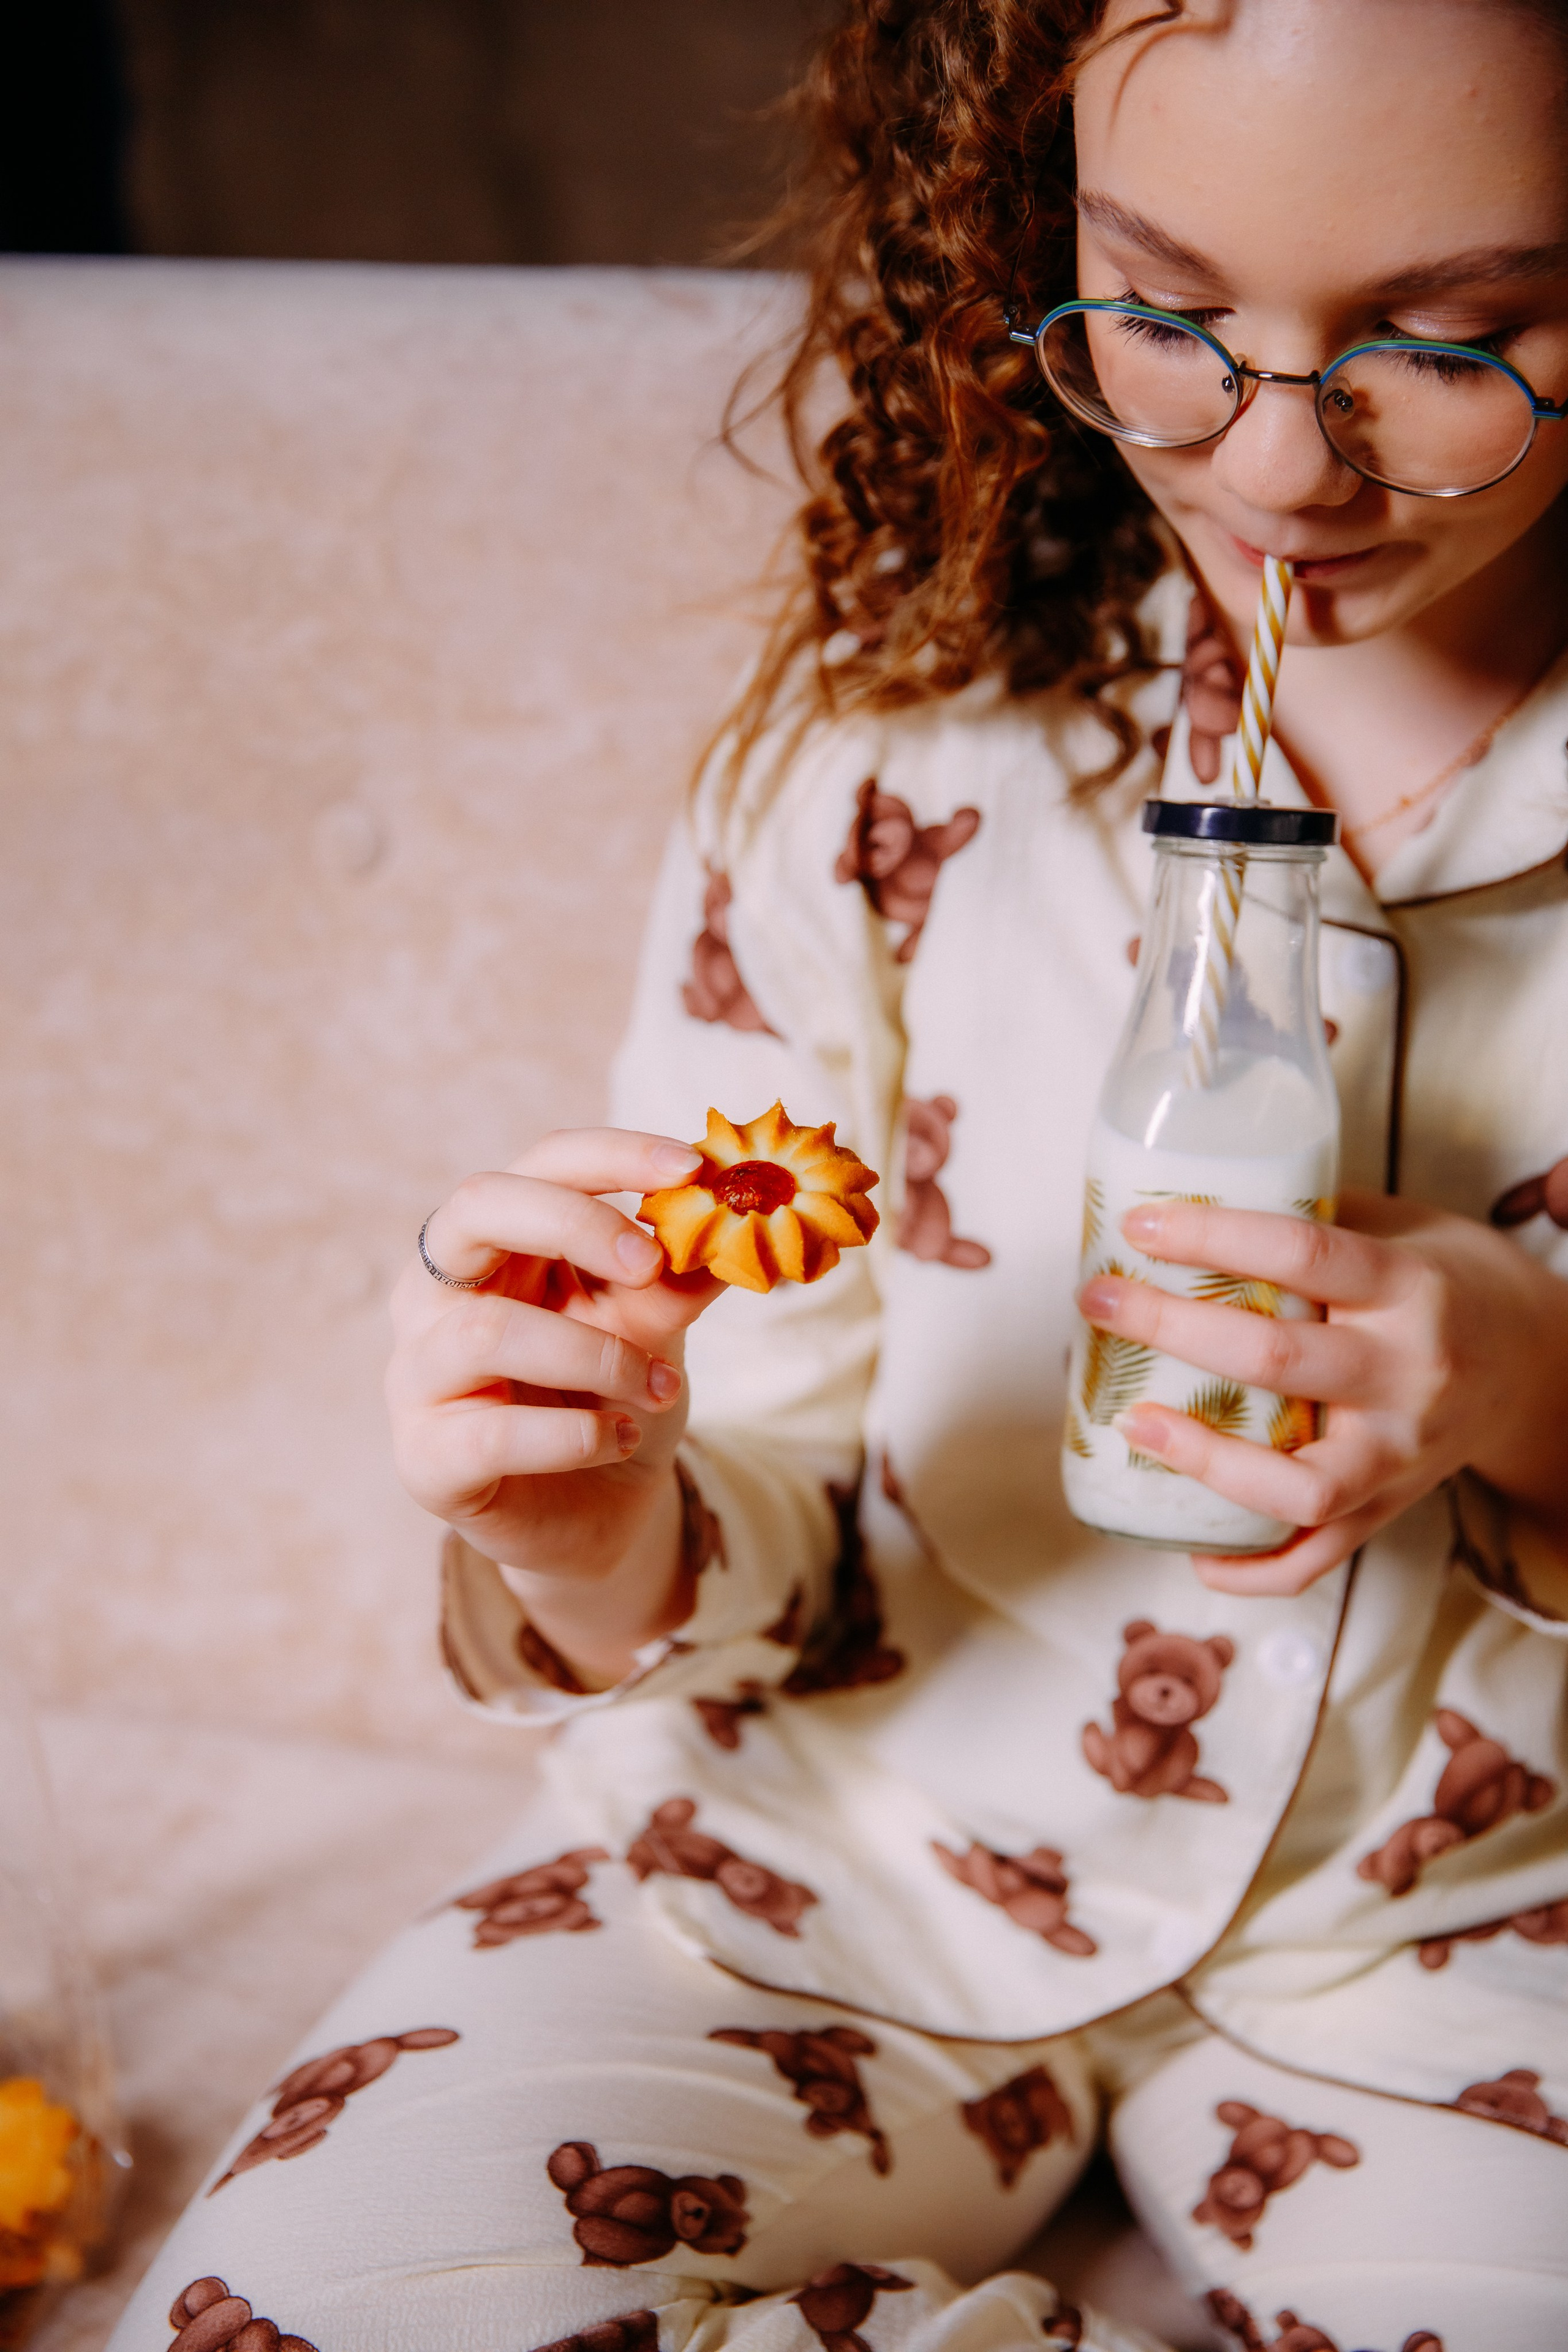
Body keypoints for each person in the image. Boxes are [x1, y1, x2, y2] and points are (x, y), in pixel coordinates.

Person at [116, 6, 1568, 2350]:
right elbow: (762, 1495)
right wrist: (596, 1536)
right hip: (829, 1863)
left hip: (1477, 1936)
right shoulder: (889, 763)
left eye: (1452, 336)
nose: (1284, 465)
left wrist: (1529, 1377)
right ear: (1030, 214)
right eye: (1167, 313)